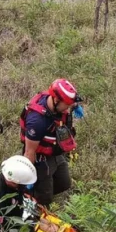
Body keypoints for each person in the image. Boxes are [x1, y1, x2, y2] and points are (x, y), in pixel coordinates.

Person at [20, 78, 81, 207]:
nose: (68, 108)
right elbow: (29, 152)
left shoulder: (56, 102)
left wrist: (75, 106)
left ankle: (41, 192)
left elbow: (68, 101)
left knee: (64, 183)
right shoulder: (37, 121)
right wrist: (28, 177)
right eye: (67, 105)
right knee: (44, 197)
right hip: (41, 158)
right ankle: (35, 205)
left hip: (56, 152)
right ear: (56, 100)